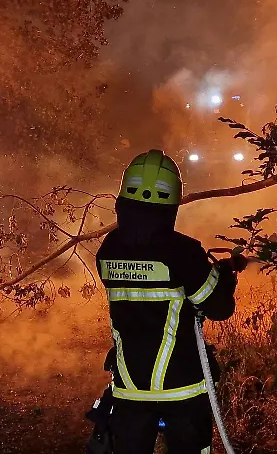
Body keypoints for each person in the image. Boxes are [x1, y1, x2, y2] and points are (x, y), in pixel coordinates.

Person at [94, 149, 240, 454]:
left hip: (130, 389)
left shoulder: (107, 250)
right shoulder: (184, 252)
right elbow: (218, 308)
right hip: (182, 390)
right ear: (171, 203)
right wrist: (224, 278)